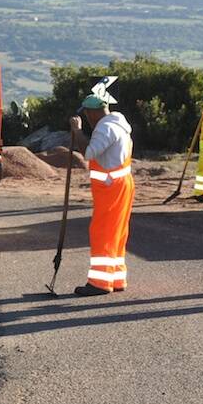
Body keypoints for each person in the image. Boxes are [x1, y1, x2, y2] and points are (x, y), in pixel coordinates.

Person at [69, 94, 135, 297]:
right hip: (121, 184)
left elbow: (89, 153)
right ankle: (115, 278)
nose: (87, 118)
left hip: (111, 188)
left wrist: (77, 131)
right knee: (117, 232)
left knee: (102, 232)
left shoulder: (105, 128)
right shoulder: (119, 123)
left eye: (87, 114)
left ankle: (99, 282)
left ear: (92, 112)